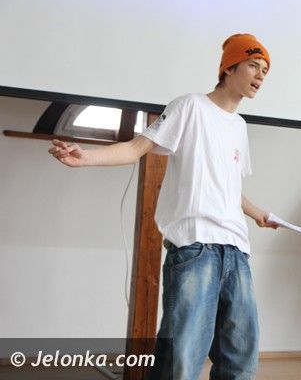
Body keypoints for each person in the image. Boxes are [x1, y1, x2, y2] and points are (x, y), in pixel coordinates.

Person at [49, 33, 278, 380]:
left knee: (241, 361)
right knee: (181, 362)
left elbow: (229, 188)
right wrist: (85, 158)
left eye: (265, 70)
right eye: (253, 65)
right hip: (196, 247)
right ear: (229, 68)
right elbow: (135, 148)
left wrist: (257, 212)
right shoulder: (190, 107)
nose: (260, 75)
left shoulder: (239, 127)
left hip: (237, 250)